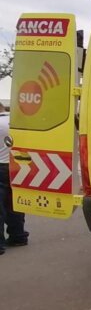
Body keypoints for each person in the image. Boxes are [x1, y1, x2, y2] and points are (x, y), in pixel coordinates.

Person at [0, 105, 29, 255]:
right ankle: (18, 236)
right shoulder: (16, 121)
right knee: (15, 202)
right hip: (17, 165)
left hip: (0, 166)